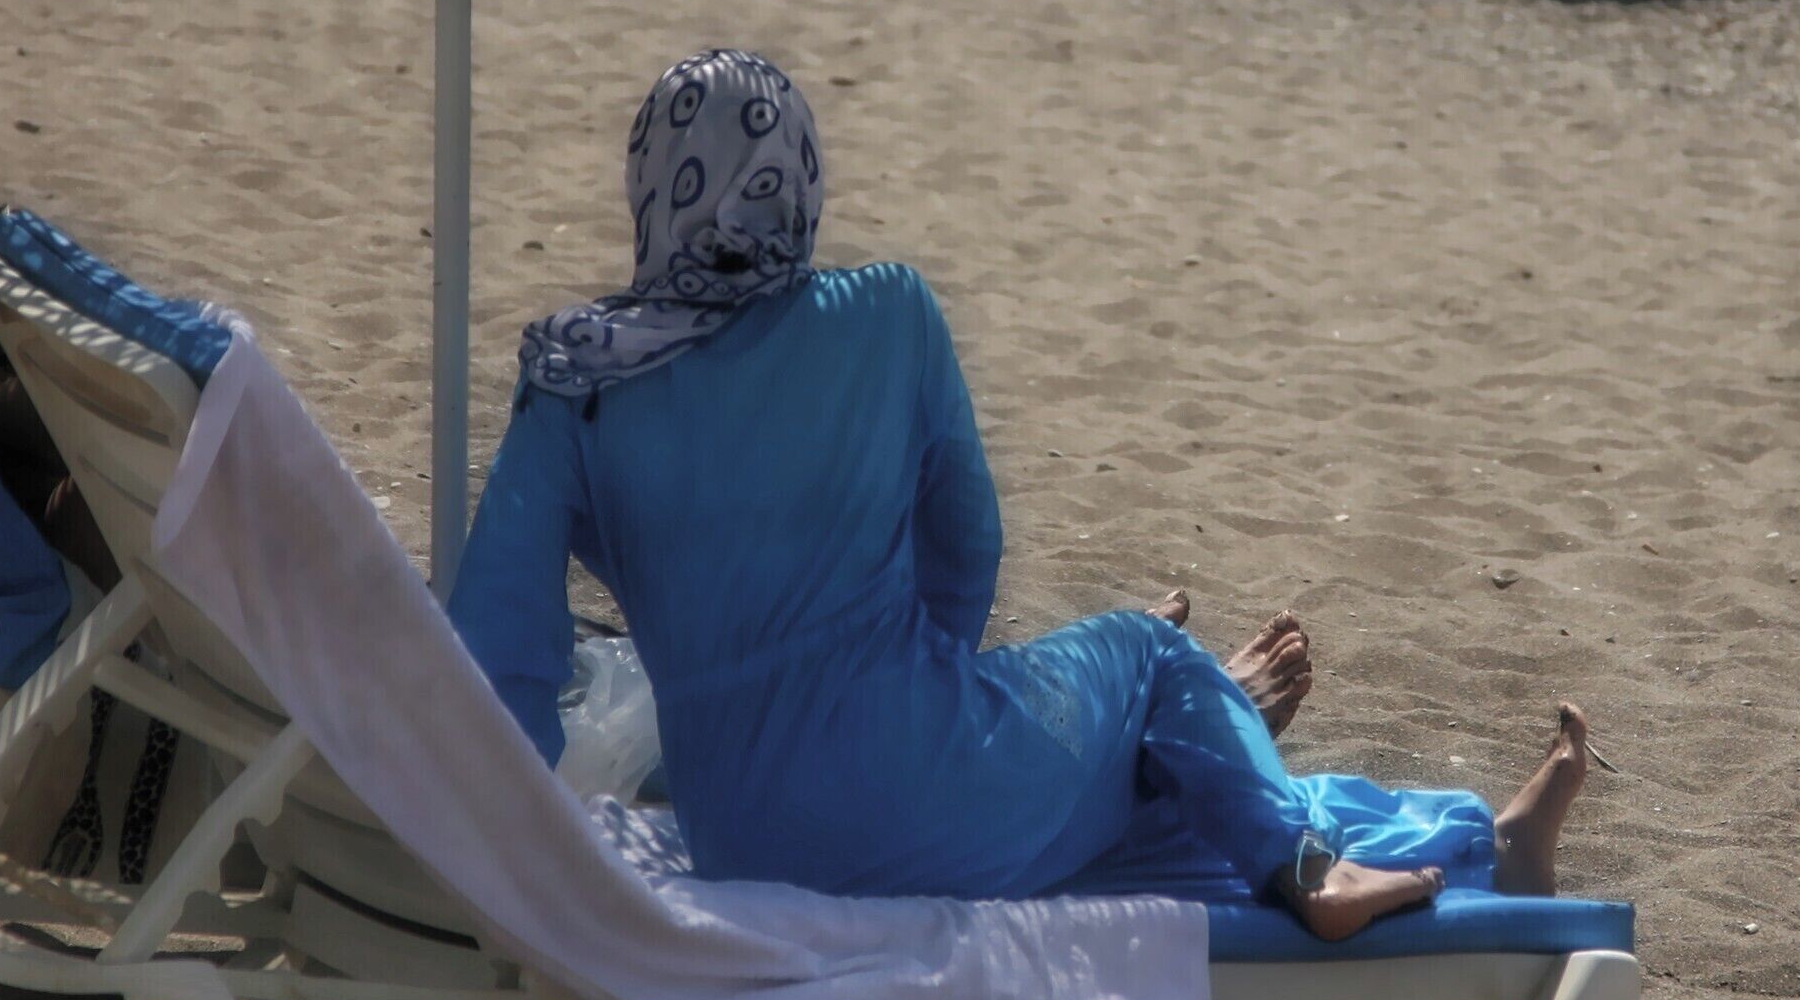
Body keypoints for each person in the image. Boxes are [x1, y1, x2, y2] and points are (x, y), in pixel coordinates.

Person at [443, 50, 1594, 942]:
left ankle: (1473, 838)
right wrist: (936, 695)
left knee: (1116, 780)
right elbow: (966, 547)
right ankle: (1307, 859)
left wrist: (526, 872)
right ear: (797, 181)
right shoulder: (887, 312)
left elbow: (503, 658)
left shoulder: (577, 380)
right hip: (919, 773)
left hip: (742, 829)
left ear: (650, 182)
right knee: (1146, 655)